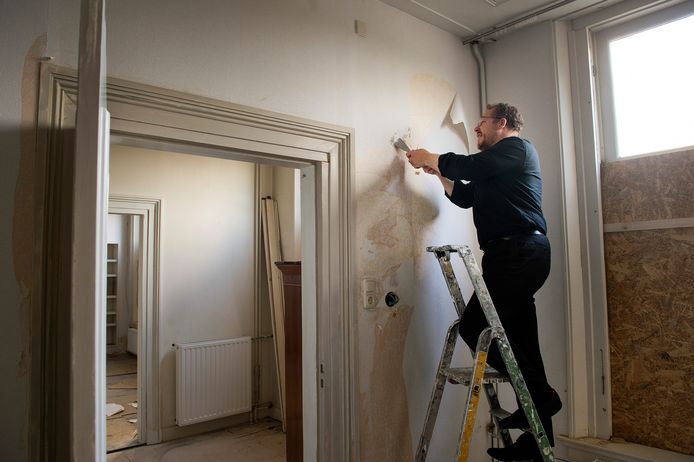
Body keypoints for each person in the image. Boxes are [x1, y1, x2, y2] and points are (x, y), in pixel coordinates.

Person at [405, 103, 561, 461]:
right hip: (510, 256)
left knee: (475, 324)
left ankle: (543, 397)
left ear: (502, 124)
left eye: (482, 124)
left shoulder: (517, 149)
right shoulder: (497, 170)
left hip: (520, 252)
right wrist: (439, 174)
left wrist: (435, 155)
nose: (476, 129)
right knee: (525, 347)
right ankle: (539, 445)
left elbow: (471, 166)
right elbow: (466, 196)